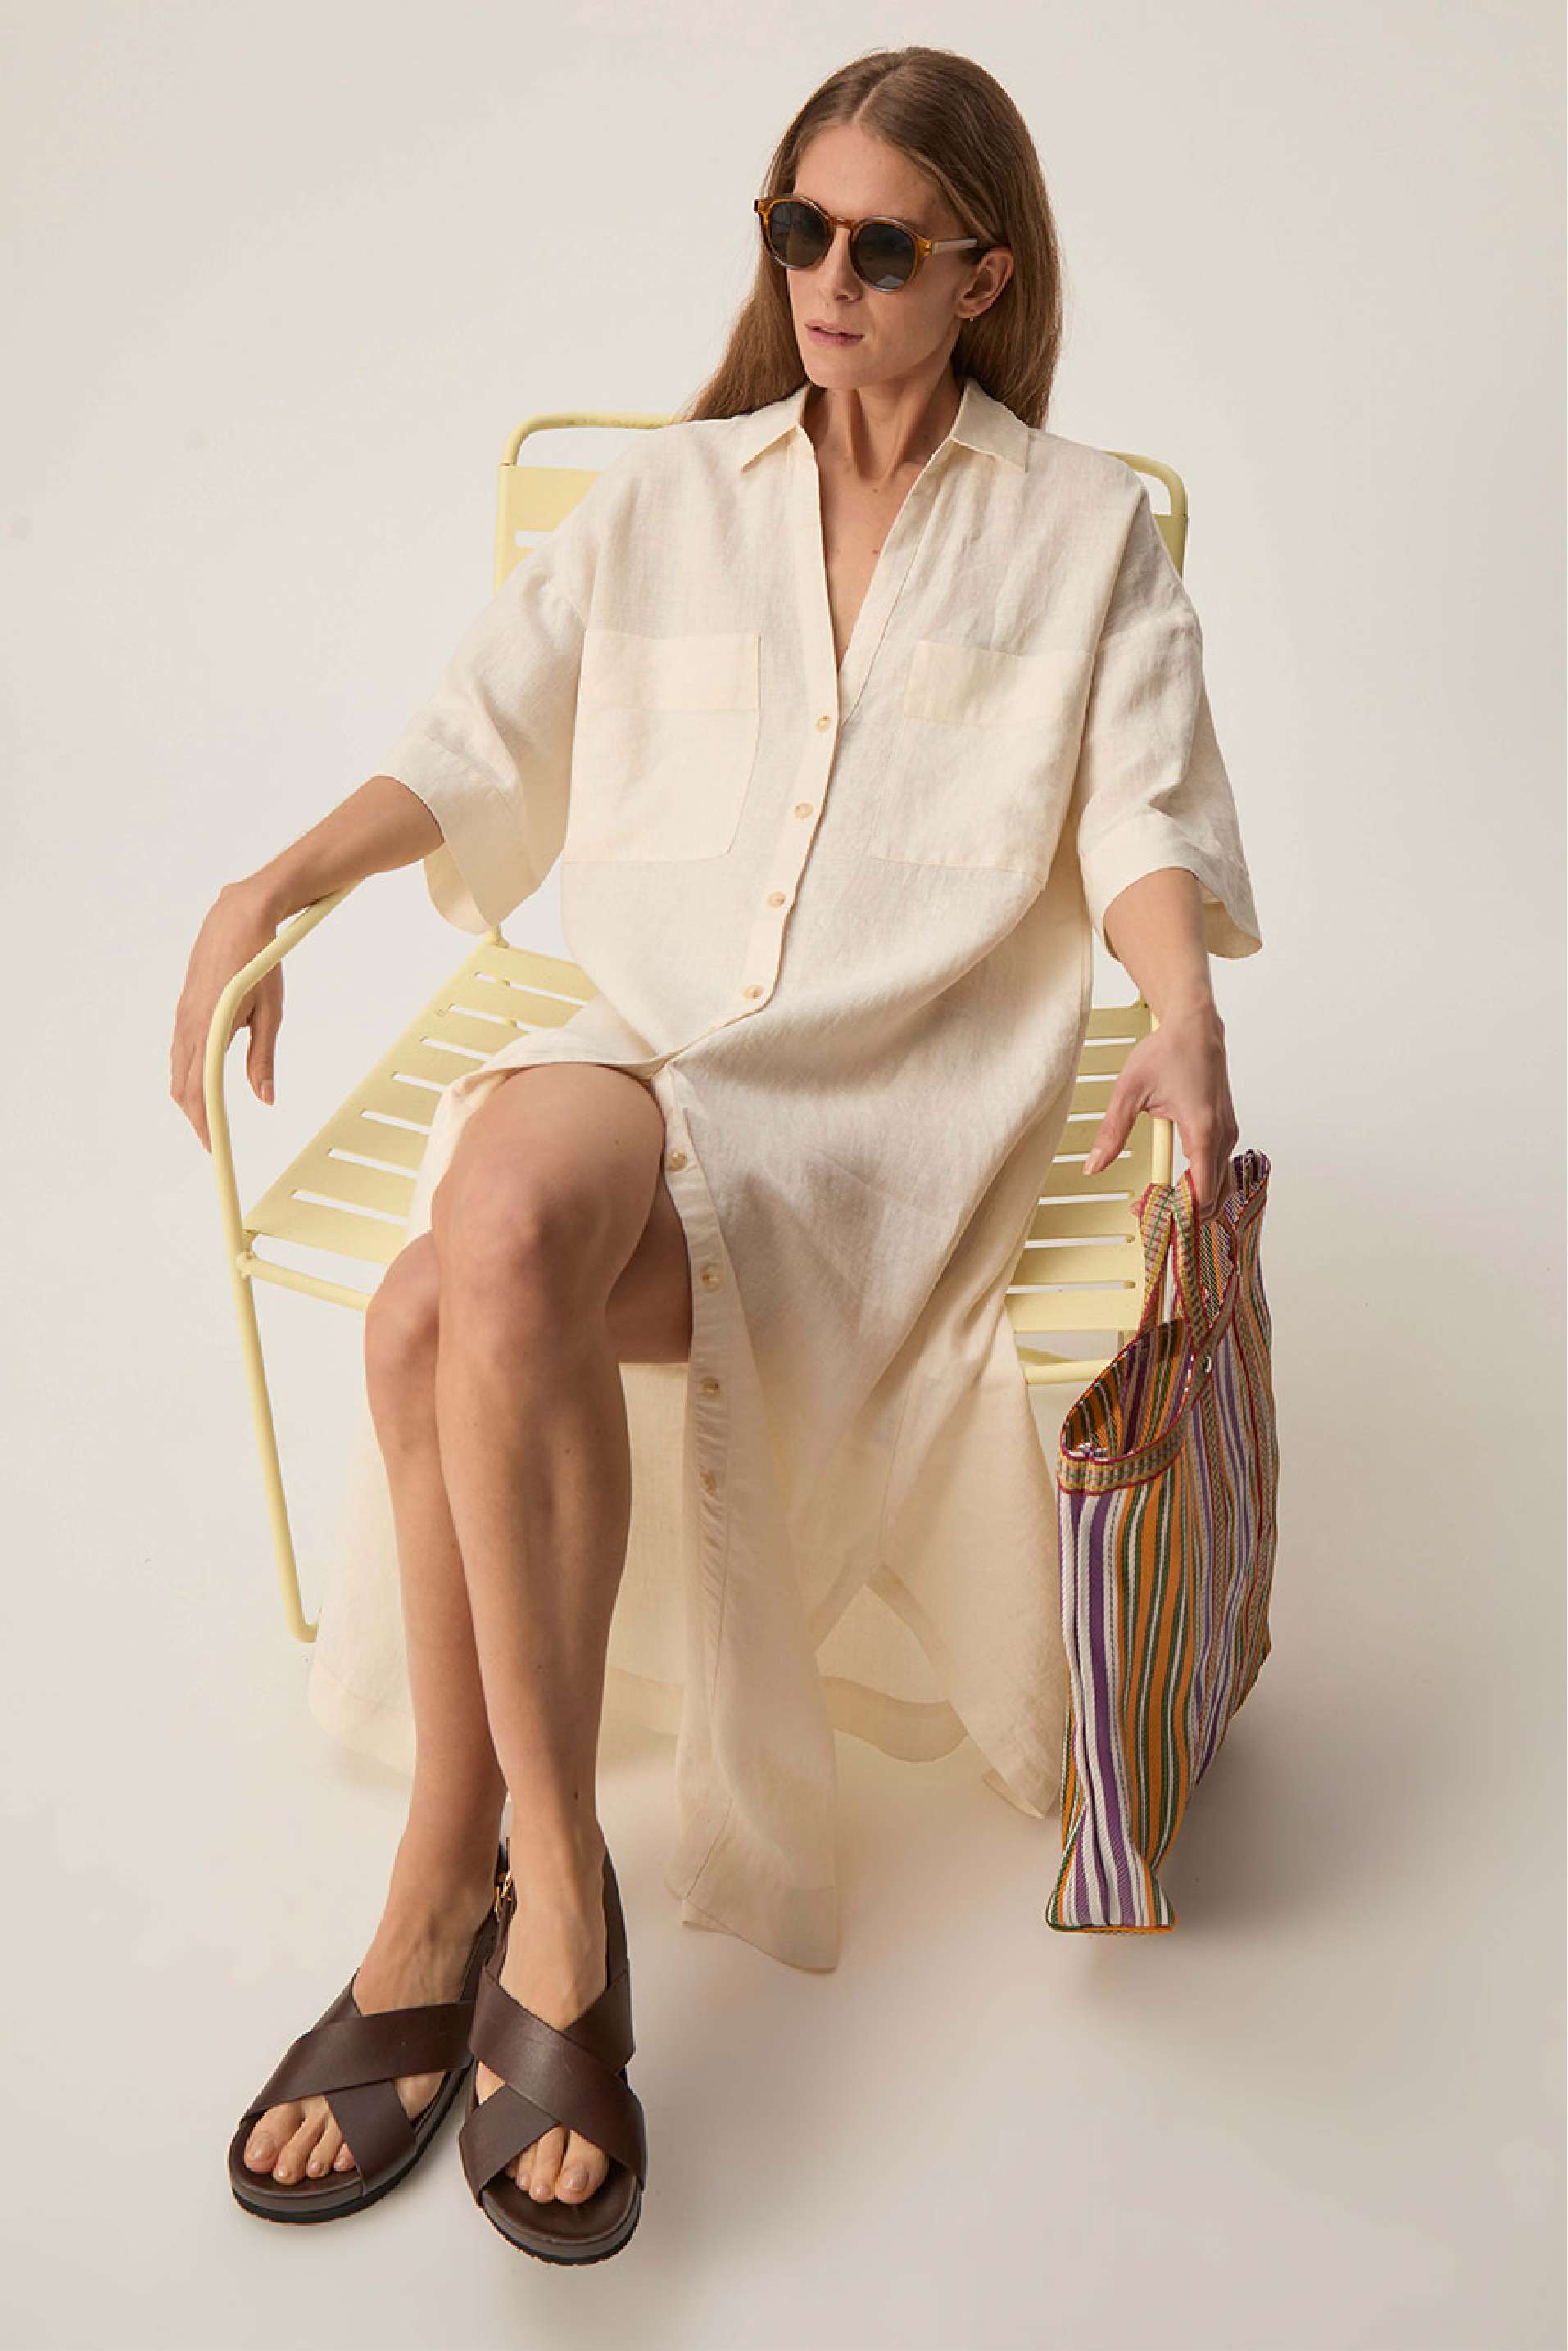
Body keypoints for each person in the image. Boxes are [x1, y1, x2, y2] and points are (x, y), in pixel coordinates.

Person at [170, 44, 1262, 2256]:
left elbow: (1141, 811)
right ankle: (548, 1890)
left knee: (430, 1311)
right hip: (646, 1048)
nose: (824, 277)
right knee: (494, 1222)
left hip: (881, 1113)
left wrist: (1179, 1008)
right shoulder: (670, 499)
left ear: (983, 274)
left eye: (879, 245)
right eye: (794, 229)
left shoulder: (1084, 536)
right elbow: (476, 737)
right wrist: (272, 883)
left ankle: (461, 1885)